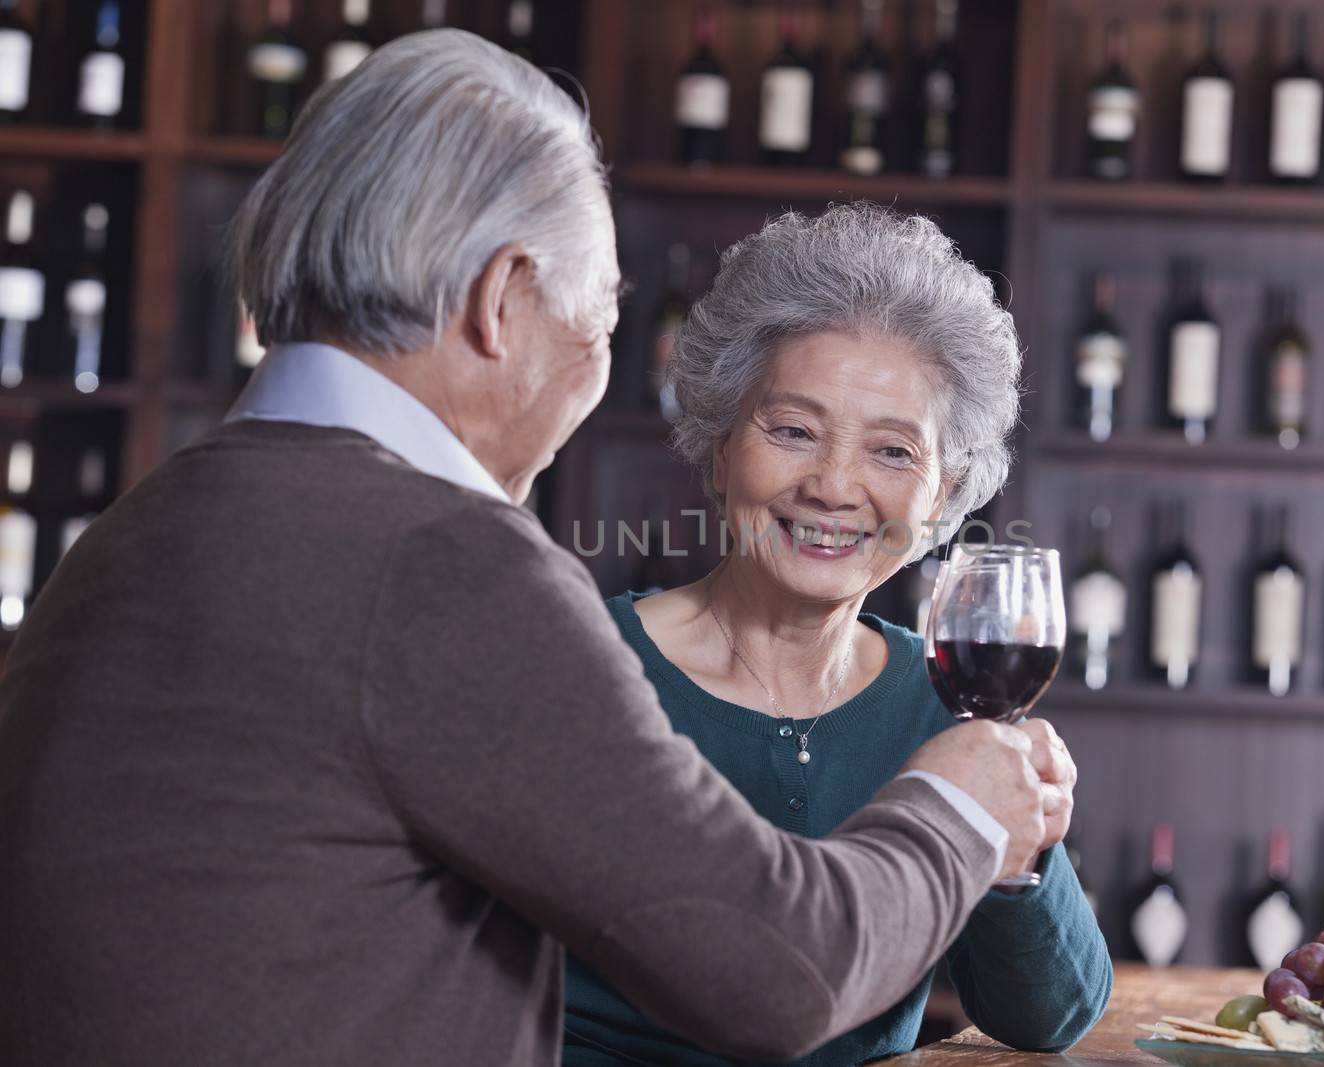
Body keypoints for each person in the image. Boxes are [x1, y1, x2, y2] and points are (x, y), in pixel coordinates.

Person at [0, 31, 1072, 1067]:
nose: (598, 363)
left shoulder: (134, 529)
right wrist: (962, 800)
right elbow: (774, 973)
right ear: (500, 300)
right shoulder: (446, 563)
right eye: (601, 317)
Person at [561, 205, 1112, 1065]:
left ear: (943, 497)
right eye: (792, 430)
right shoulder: (585, 666)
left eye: (893, 452)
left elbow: (1048, 1017)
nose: (834, 485)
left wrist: (1016, 846)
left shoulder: (946, 708)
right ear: (718, 449)